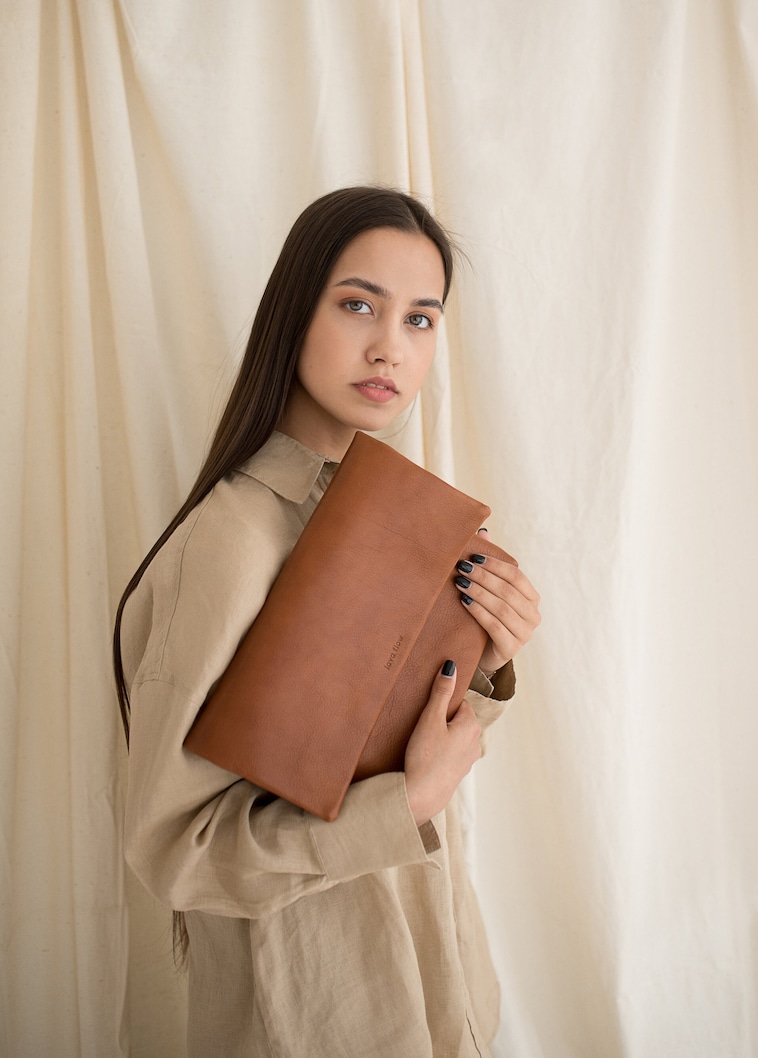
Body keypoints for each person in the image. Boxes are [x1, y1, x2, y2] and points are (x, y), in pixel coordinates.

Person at [114, 186, 541, 1057]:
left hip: (436, 983)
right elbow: (178, 853)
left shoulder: (400, 518)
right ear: (293, 313)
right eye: (358, 305)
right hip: (304, 1012)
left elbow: (381, 750)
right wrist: (412, 800)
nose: (391, 345)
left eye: (421, 320)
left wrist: (488, 663)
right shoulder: (228, 543)